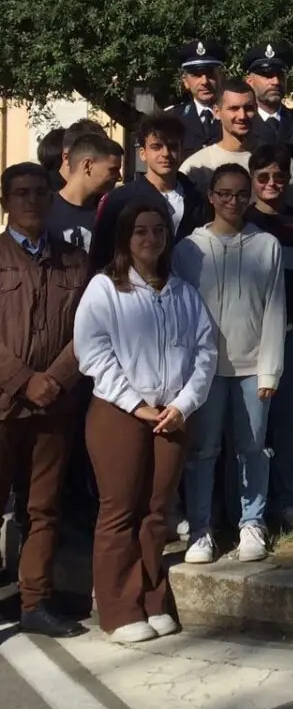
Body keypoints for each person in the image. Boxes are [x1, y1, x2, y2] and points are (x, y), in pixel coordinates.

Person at [74, 202, 217, 643]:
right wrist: (136, 405)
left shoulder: (183, 293)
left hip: (171, 414)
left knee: (157, 513)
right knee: (120, 511)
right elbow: (92, 353)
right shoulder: (105, 289)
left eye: (158, 231)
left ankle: (152, 600)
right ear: (124, 239)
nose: (150, 239)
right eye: (140, 232)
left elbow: (205, 352)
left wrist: (184, 403)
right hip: (120, 414)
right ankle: (119, 611)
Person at [174, 165, 286, 565]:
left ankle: (252, 521)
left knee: (253, 446)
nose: (233, 201)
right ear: (211, 195)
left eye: (241, 194)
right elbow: (180, 313)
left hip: (253, 363)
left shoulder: (266, 245)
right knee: (203, 449)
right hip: (204, 370)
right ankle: (201, 527)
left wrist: (270, 368)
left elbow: (275, 308)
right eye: (225, 193)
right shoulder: (189, 248)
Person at [0, 163, 90, 638]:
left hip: (55, 407)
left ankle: (34, 601)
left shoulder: (75, 262)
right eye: (20, 194)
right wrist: (21, 379)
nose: (31, 201)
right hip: (3, 404)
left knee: (43, 508)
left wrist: (53, 380)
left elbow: (88, 331)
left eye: (39, 193)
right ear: (5, 202)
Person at [247, 144, 293, 532]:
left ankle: (289, 499)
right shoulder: (241, 224)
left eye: (278, 176)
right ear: (252, 181)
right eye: (263, 177)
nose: (272, 183)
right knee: (254, 429)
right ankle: (249, 507)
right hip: (251, 341)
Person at [91, 113, 207, 270]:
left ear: (182, 151)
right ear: (143, 153)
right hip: (132, 288)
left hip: (186, 289)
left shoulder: (197, 199)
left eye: (172, 146)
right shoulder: (121, 199)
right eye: (157, 147)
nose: (165, 153)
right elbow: (100, 256)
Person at [180, 79, 273, 196]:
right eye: (234, 108)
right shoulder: (197, 166)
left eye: (248, 108)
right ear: (217, 112)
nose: (242, 116)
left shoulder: (275, 159)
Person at [47, 130, 123, 254]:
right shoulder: (43, 211)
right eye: (113, 170)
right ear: (87, 165)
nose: (119, 177)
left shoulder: (112, 213)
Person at [244, 41, 293, 168]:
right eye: (267, 75)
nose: (276, 82)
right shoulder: (243, 124)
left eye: (280, 75)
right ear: (250, 82)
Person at [168, 39, 227, 159]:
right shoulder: (172, 118)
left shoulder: (236, 115)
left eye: (210, 74)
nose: (204, 81)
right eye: (196, 75)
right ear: (185, 81)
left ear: (221, 76)